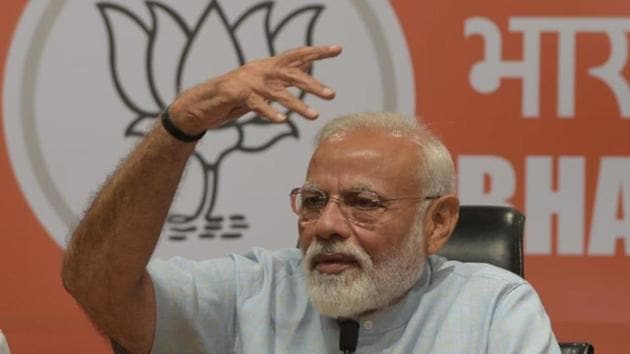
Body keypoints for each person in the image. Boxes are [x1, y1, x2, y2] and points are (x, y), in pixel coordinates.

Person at [62, 45, 560, 353]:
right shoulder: (252, 292)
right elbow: (98, 287)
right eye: (314, 200)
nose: (326, 226)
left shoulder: (492, 307)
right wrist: (181, 125)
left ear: (438, 222)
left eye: (364, 203)